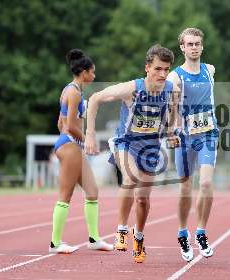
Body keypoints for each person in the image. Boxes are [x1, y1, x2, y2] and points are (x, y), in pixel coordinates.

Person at [85, 44, 180, 263]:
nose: (162, 74)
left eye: (166, 69)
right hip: (125, 143)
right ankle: (121, 230)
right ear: (147, 67)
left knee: (143, 200)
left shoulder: (171, 90)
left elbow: (172, 116)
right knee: (130, 179)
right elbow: (95, 98)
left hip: (151, 147)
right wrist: (89, 133)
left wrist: (172, 132)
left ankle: (139, 237)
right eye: (158, 69)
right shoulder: (131, 88)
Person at [50, 49, 113, 254]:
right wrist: (86, 140)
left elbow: (60, 121)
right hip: (70, 145)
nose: (94, 76)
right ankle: (55, 243)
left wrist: (71, 141)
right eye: (92, 72)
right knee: (65, 196)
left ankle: (94, 239)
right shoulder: (74, 93)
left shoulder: (70, 90)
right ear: (84, 72)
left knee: (93, 192)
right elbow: (69, 125)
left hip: (70, 144)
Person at [167, 27, 218, 262]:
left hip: (207, 134)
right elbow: (173, 108)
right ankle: (181, 232)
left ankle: (201, 231)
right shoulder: (175, 76)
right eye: (190, 44)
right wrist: (173, 129)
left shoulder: (210, 70)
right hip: (185, 137)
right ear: (182, 47)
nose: (194, 47)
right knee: (185, 188)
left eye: (197, 43)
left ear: (202, 46)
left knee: (206, 183)